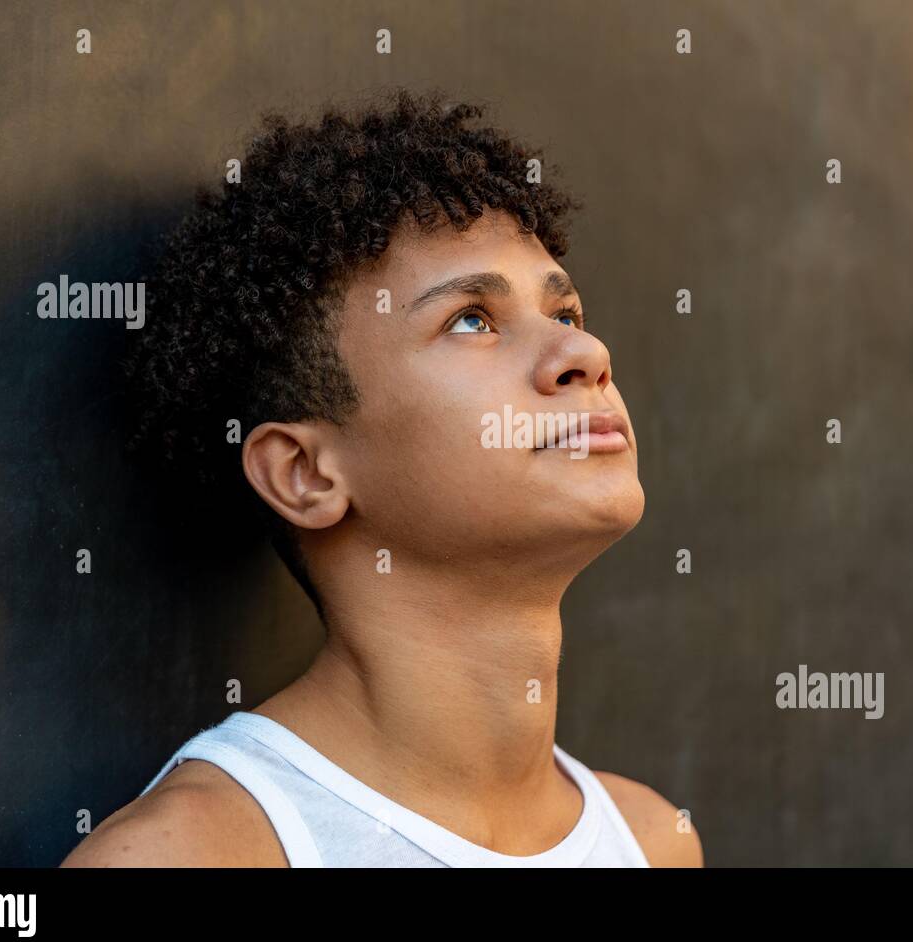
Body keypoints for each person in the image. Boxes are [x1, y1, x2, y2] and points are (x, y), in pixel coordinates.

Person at [61, 88, 702, 868]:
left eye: (564, 313)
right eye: (471, 319)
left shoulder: (653, 839)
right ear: (305, 473)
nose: (586, 354)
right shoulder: (193, 854)